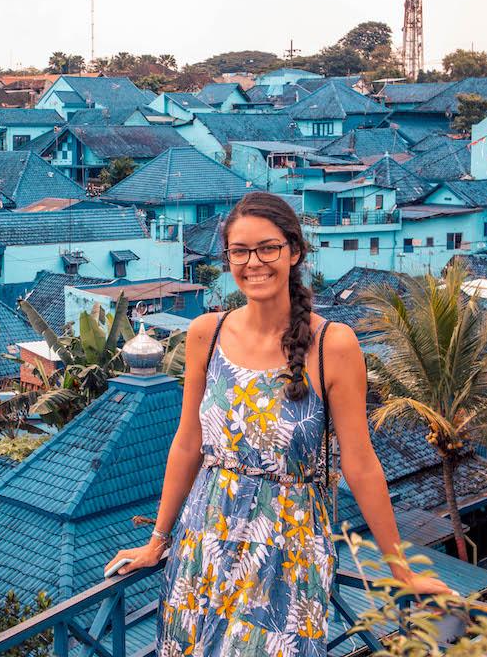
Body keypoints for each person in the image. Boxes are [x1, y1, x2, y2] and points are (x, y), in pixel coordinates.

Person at [104, 192, 455, 656]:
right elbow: (188, 443)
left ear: (294, 252)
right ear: (227, 257)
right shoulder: (205, 334)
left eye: (268, 248)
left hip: (287, 551)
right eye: (240, 251)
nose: (254, 262)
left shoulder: (334, 344)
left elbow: (361, 462)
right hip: (205, 541)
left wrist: (399, 567)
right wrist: (156, 542)